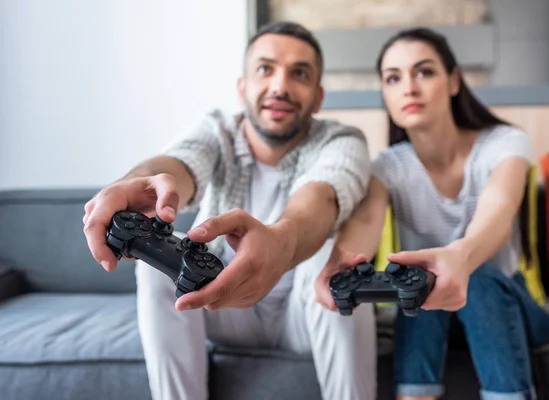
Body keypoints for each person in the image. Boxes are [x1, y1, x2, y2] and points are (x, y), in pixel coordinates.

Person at [82, 21, 377, 400]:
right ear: (243, 88)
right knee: (157, 269)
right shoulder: (217, 130)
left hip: (303, 314)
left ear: (318, 98)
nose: (280, 86)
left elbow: (320, 198)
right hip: (222, 302)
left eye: (298, 74)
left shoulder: (342, 141)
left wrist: (280, 242)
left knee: (334, 265)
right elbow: (181, 163)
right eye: (265, 69)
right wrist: (139, 180)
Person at [315, 28, 549, 400]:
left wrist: (460, 257)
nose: (408, 87)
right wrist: (338, 263)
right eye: (393, 78)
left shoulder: (505, 142)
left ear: (454, 80)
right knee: (420, 283)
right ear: (385, 93)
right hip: (431, 314)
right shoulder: (387, 167)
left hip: (507, 305)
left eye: (423, 72)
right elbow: (365, 221)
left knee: (479, 278)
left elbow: (499, 208)